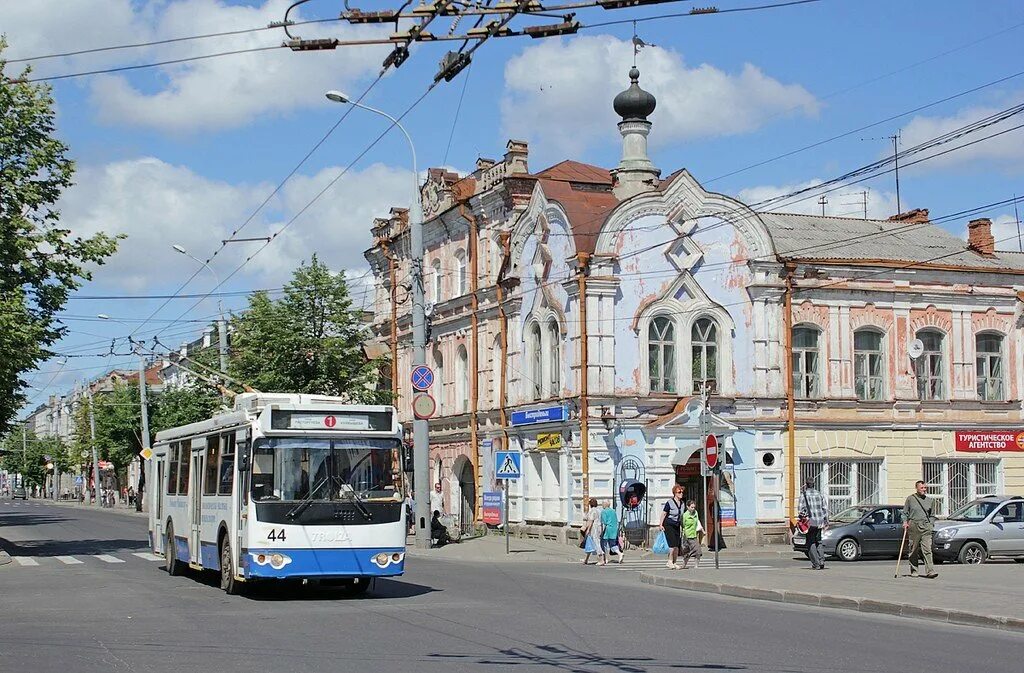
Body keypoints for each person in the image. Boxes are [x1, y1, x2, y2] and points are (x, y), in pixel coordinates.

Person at [903, 480, 938, 579]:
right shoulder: (910, 499)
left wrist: (930, 524)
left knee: (927, 549)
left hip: (926, 526)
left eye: (925, 488)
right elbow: (905, 512)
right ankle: (914, 570)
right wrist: (905, 522)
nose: (924, 489)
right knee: (913, 549)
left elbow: (932, 515)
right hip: (914, 525)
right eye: (922, 488)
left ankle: (930, 571)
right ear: (917, 488)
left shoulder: (930, 501)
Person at [799, 478, 829, 570]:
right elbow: (825, 508)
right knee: (818, 541)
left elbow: (801, 510)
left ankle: (816, 564)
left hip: (810, 523)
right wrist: (826, 521)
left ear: (806, 484)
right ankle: (821, 561)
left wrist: (802, 518)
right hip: (819, 522)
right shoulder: (819, 494)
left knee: (811, 542)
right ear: (814, 484)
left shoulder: (803, 495)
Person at [659, 485, 686, 569]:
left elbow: (682, 516)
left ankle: (674, 562)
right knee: (672, 544)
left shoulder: (682, 503)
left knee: (677, 545)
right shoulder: (669, 502)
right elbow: (664, 514)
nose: (681, 494)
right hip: (669, 525)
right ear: (675, 493)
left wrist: (683, 526)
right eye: (679, 492)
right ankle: (669, 561)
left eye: (682, 492)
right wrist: (660, 524)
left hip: (677, 525)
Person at [680, 500, 704, 569]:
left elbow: (698, 522)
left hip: (694, 535)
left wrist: (702, 530)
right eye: (691, 507)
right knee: (686, 552)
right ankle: (684, 565)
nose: (693, 509)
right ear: (687, 507)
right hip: (687, 536)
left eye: (694, 507)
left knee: (698, 550)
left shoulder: (696, 513)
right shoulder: (685, 515)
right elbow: (682, 525)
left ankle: (696, 566)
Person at [599, 500, 624, 565]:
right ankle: (620, 553)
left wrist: (601, 532)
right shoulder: (613, 511)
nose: (602, 505)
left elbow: (604, 522)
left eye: (602, 504)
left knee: (604, 544)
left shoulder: (604, 511)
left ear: (605, 504)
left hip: (608, 529)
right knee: (612, 544)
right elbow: (616, 520)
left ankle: (606, 559)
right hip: (614, 528)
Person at [581, 498, 604, 565]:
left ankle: (601, 560)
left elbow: (591, 521)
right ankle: (586, 559)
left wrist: (588, 530)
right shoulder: (599, 511)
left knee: (596, 543)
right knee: (590, 543)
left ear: (590, 504)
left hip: (594, 529)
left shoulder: (592, 511)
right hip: (599, 528)